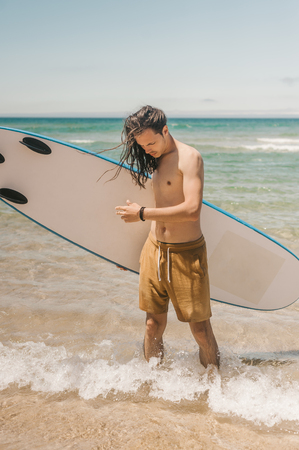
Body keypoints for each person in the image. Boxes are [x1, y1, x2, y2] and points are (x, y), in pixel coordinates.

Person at [115, 106, 219, 368]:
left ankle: (216, 389)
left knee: (200, 331)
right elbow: (160, 202)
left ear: (165, 130)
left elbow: (192, 210)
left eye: (151, 142)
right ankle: (154, 385)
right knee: (152, 325)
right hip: (154, 250)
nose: (147, 149)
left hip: (186, 254)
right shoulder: (154, 157)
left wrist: (141, 214)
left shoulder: (190, 158)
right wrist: (124, 249)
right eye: (142, 145)